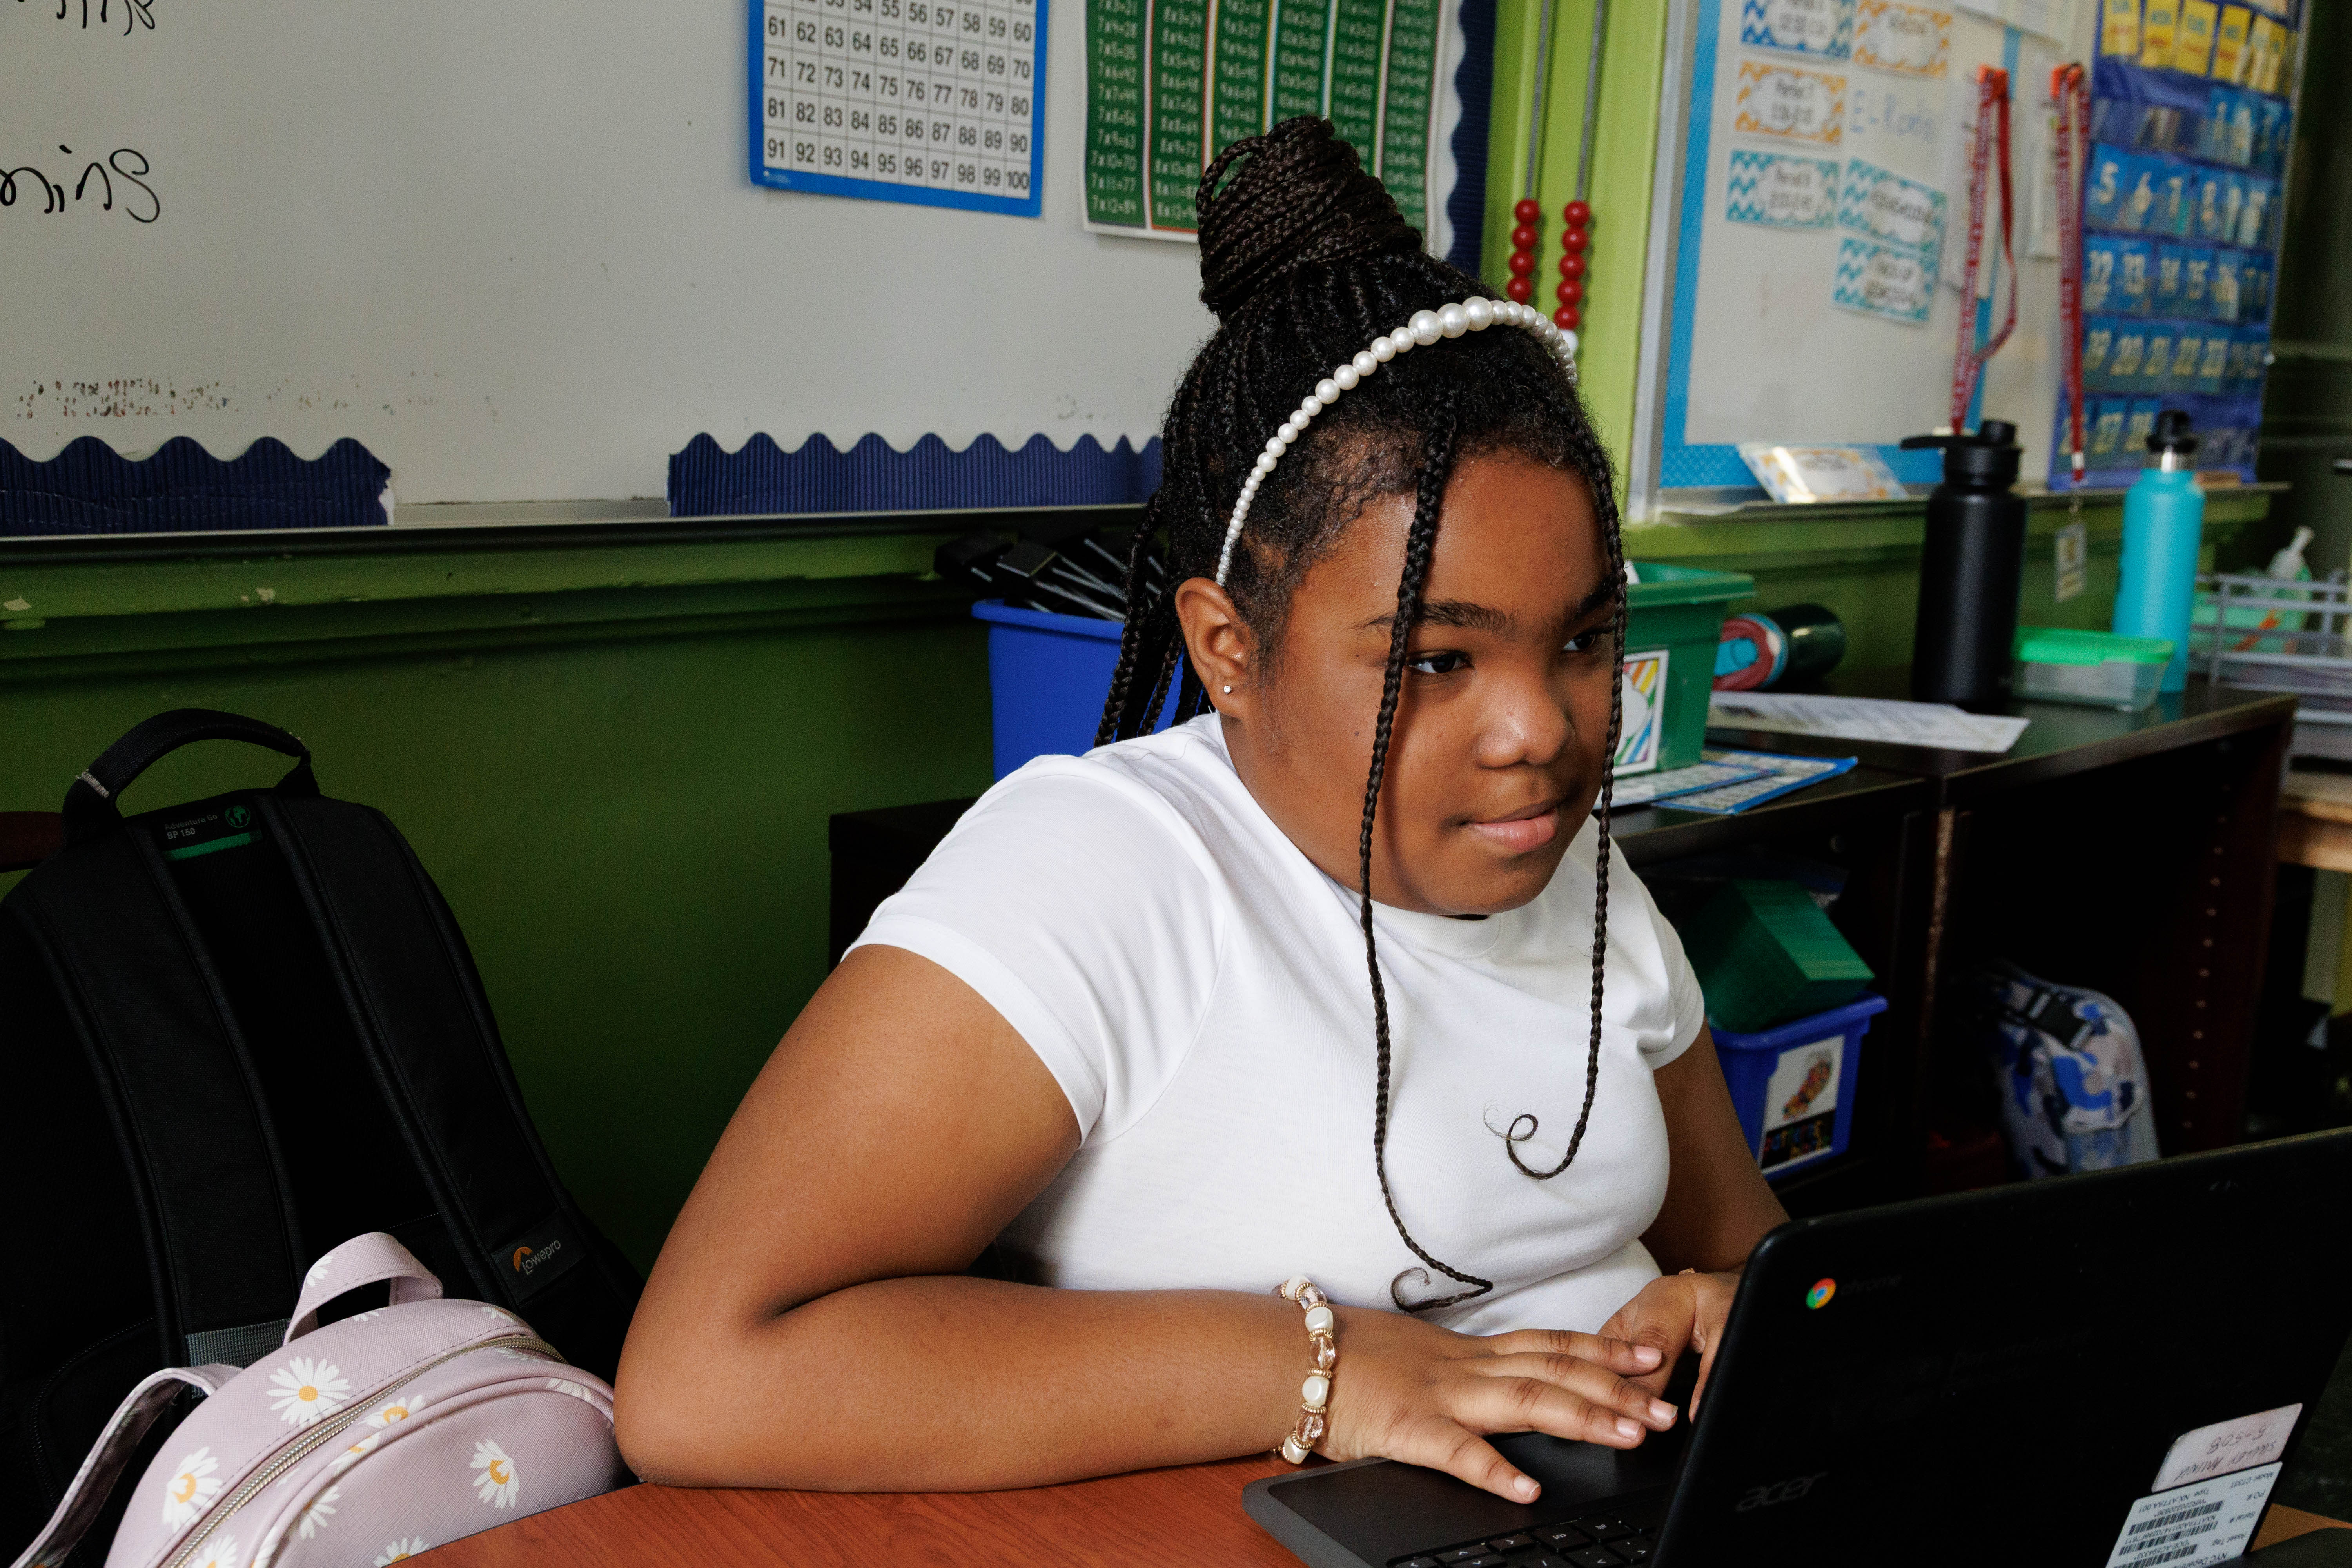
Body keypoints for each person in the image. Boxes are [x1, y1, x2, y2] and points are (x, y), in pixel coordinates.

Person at [614, 116, 1786, 1505]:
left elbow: (1747, 1248)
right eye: (1435, 661)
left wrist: (1723, 1316)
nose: (1540, 731)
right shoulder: (1101, 871)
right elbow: (707, 1377)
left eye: (1584, 640)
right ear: (1229, 648)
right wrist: (1332, 1368)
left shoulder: (1573, 870)